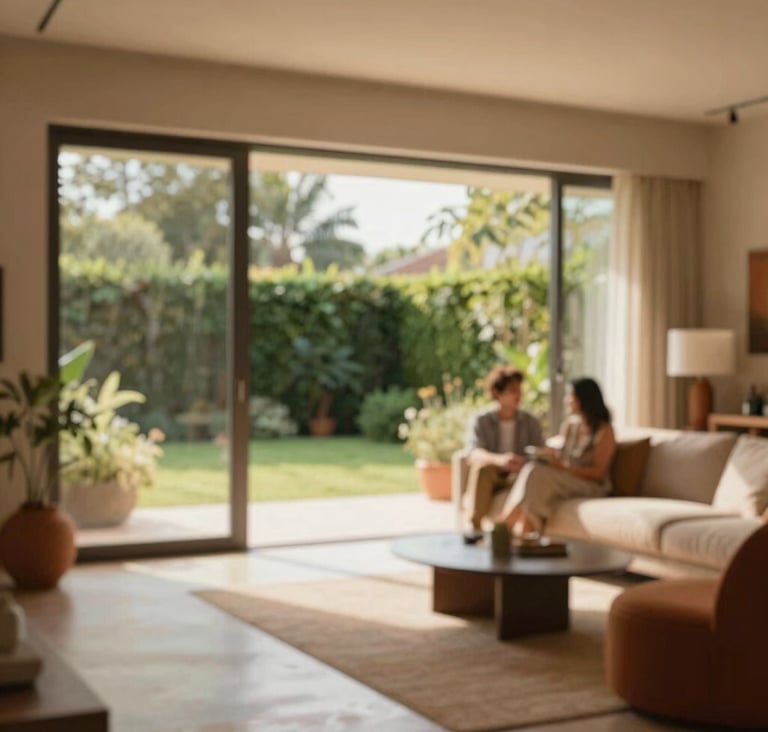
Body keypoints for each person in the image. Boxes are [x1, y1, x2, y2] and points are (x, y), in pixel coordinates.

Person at [501, 376, 616, 537]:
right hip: (566, 480)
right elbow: (560, 453)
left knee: (535, 473)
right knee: (534, 481)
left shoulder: (604, 431)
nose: (566, 400)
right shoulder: (570, 426)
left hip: (591, 486)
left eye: (570, 396)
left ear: (584, 400)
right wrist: (548, 456)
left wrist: (563, 468)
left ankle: (502, 526)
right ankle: (520, 540)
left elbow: (598, 474)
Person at [463, 365, 544, 532]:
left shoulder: (531, 422)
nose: (518, 395)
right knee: (481, 469)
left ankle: (504, 530)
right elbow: (473, 452)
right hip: (493, 474)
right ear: (497, 394)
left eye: (519, 389)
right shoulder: (481, 421)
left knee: (533, 473)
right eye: (512, 390)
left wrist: (522, 463)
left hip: (520, 475)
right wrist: (501, 460)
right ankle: (475, 528)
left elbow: (540, 453)